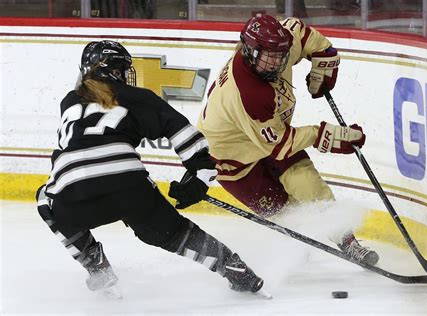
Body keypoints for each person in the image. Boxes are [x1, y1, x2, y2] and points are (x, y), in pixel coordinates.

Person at [36, 40, 264, 297]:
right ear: (113, 71)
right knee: (176, 234)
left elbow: (80, 152)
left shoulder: (68, 102)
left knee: (44, 199)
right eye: (122, 70)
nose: (125, 76)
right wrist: (199, 175)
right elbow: (180, 130)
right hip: (129, 186)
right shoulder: (135, 97)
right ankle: (237, 271)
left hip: (73, 191)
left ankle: (96, 266)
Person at [197, 15, 379, 265]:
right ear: (249, 50)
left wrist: (323, 61)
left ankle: (349, 243)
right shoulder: (248, 93)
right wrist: (328, 135)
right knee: (288, 215)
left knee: (308, 184)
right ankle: (293, 251)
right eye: (268, 57)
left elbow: (304, 35)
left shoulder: (279, 46)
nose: (276, 63)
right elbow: (281, 145)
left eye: (280, 55)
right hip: (234, 163)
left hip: (269, 137)